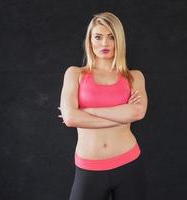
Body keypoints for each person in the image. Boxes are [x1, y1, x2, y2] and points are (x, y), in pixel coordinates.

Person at [58, 11, 148, 200]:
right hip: (89, 167)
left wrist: (88, 112)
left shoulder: (134, 77)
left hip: (129, 163)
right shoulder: (75, 74)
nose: (104, 44)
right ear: (90, 40)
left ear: (119, 41)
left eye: (111, 37)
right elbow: (70, 118)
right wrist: (121, 116)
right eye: (98, 37)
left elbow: (138, 112)